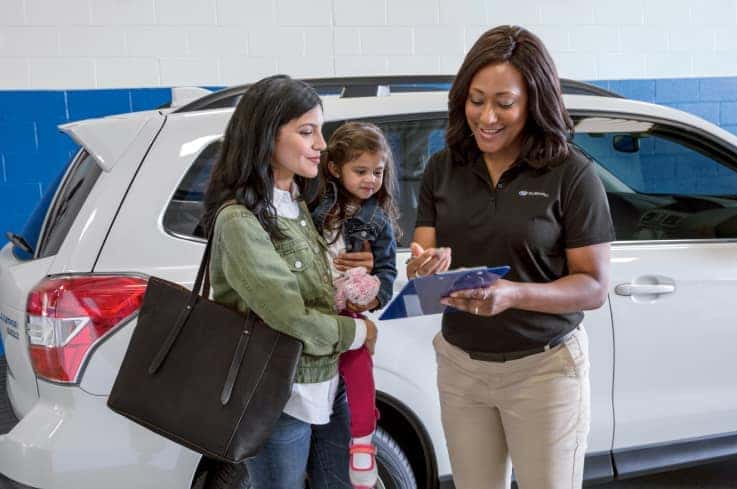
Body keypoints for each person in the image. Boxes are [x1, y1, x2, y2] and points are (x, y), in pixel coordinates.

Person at [407, 25, 614, 489]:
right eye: (476, 99)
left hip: (544, 370)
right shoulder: (444, 169)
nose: (487, 116)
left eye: (504, 103)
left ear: (534, 103)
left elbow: (594, 287)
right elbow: (422, 258)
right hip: (461, 366)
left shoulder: (571, 173)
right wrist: (422, 268)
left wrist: (513, 294)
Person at [201, 74, 378, 489]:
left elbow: (304, 289)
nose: (321, 144)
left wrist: (345, 281)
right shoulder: (239, 221)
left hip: (323, 381)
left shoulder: (295, 202)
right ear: (265, 137)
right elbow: (291, 317)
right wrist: (357, 331)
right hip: (278, 397)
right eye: (306, 131)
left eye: (320, 130)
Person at [311, 121, 399, 488]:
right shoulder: (312, 201)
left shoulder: (378, 220)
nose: (370, 180)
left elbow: (388, 275)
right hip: (313, 306)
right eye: (360, 171)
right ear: (334, 168)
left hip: (346, 309)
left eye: (378, 172)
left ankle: (362, 442)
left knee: (360, 369)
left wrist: (370, 291)